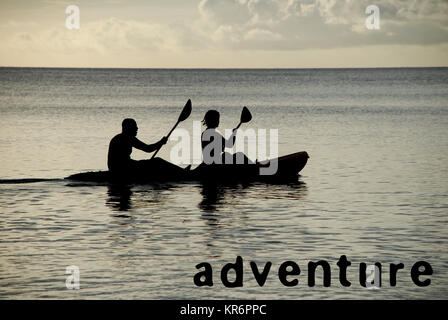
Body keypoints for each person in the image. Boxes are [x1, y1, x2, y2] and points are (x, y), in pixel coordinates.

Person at [108, 118, 184, 177]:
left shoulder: (121, 137)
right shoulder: (127, 138)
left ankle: (181, 172)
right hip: (122, 169)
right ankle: (183, 173)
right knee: (157, 161)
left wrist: (160, 143)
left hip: (119, 167)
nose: (137, 128)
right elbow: (148, 149)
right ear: (128, 128)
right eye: (134, 126)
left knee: (153, 163)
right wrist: (160, 142)